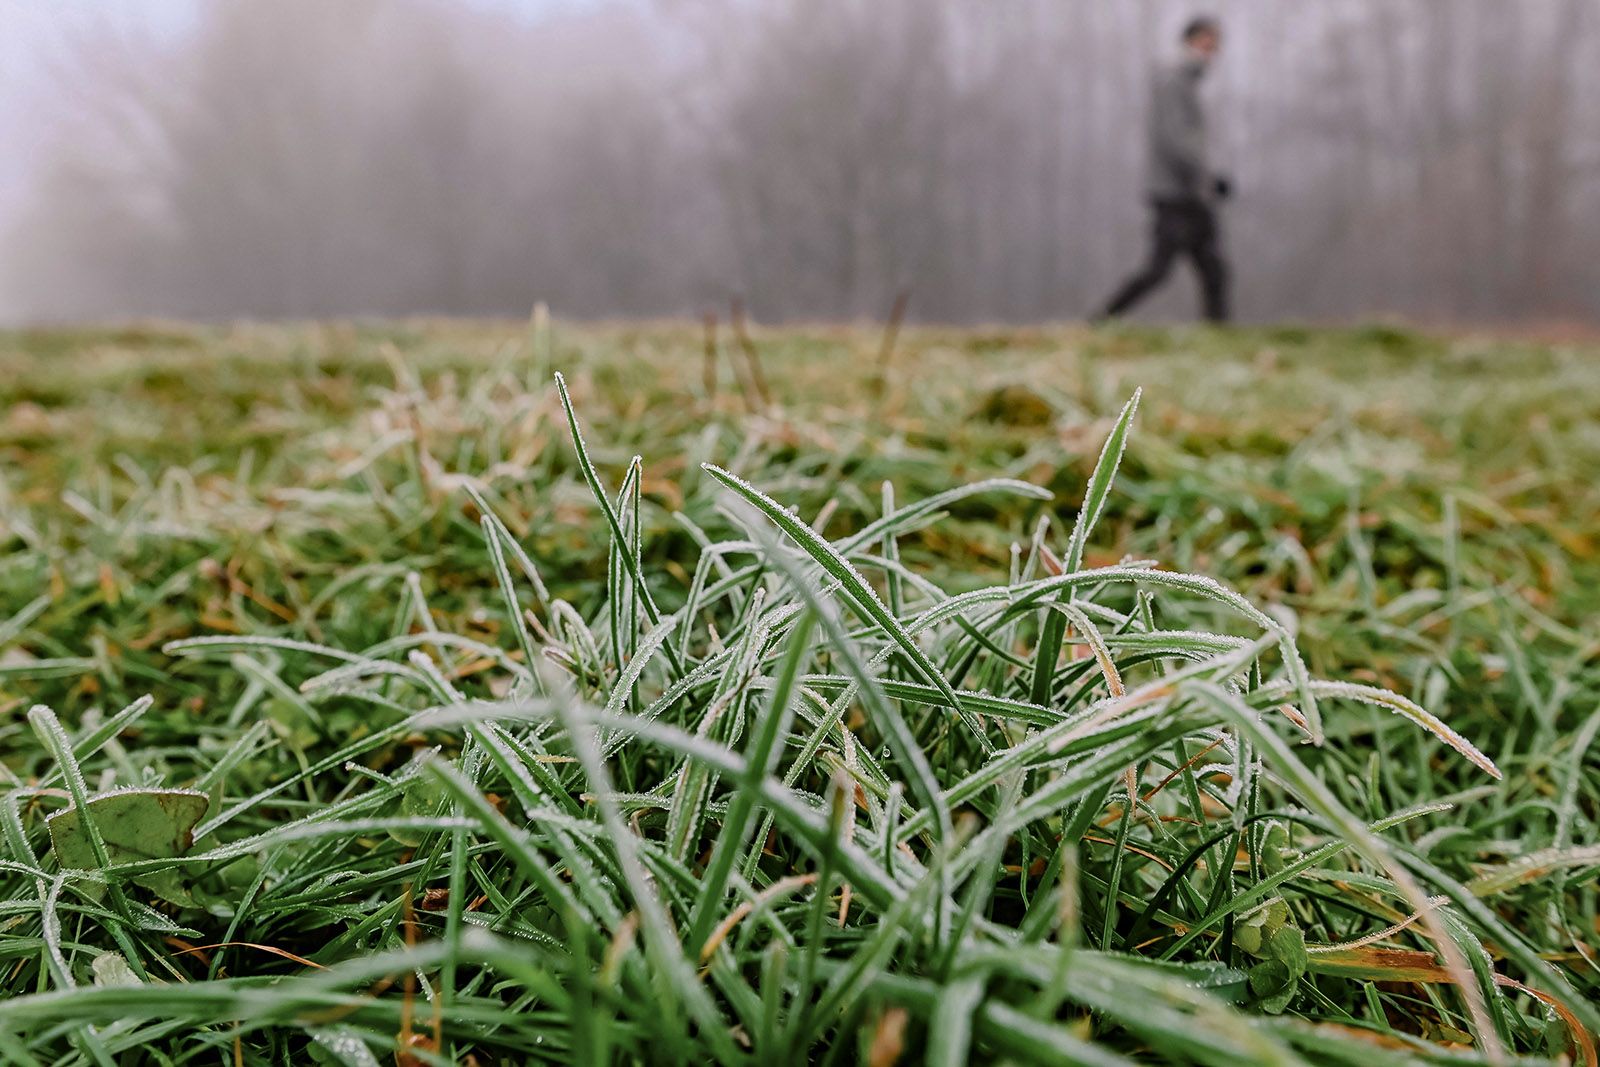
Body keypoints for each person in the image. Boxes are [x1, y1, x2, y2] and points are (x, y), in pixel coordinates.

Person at [1097, 16, 1231, 323]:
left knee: (1214, 269)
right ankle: (1102, 320)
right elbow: (1175, 139)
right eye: (1208, 44)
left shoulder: (1185, 80)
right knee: (1158, 270)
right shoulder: (1174, 79)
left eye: (1216, 46)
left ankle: (1220, 335)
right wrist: (1206, 177)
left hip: (1189, 192)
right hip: (1175, 193)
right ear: (1191, 41)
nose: (1212, 53)